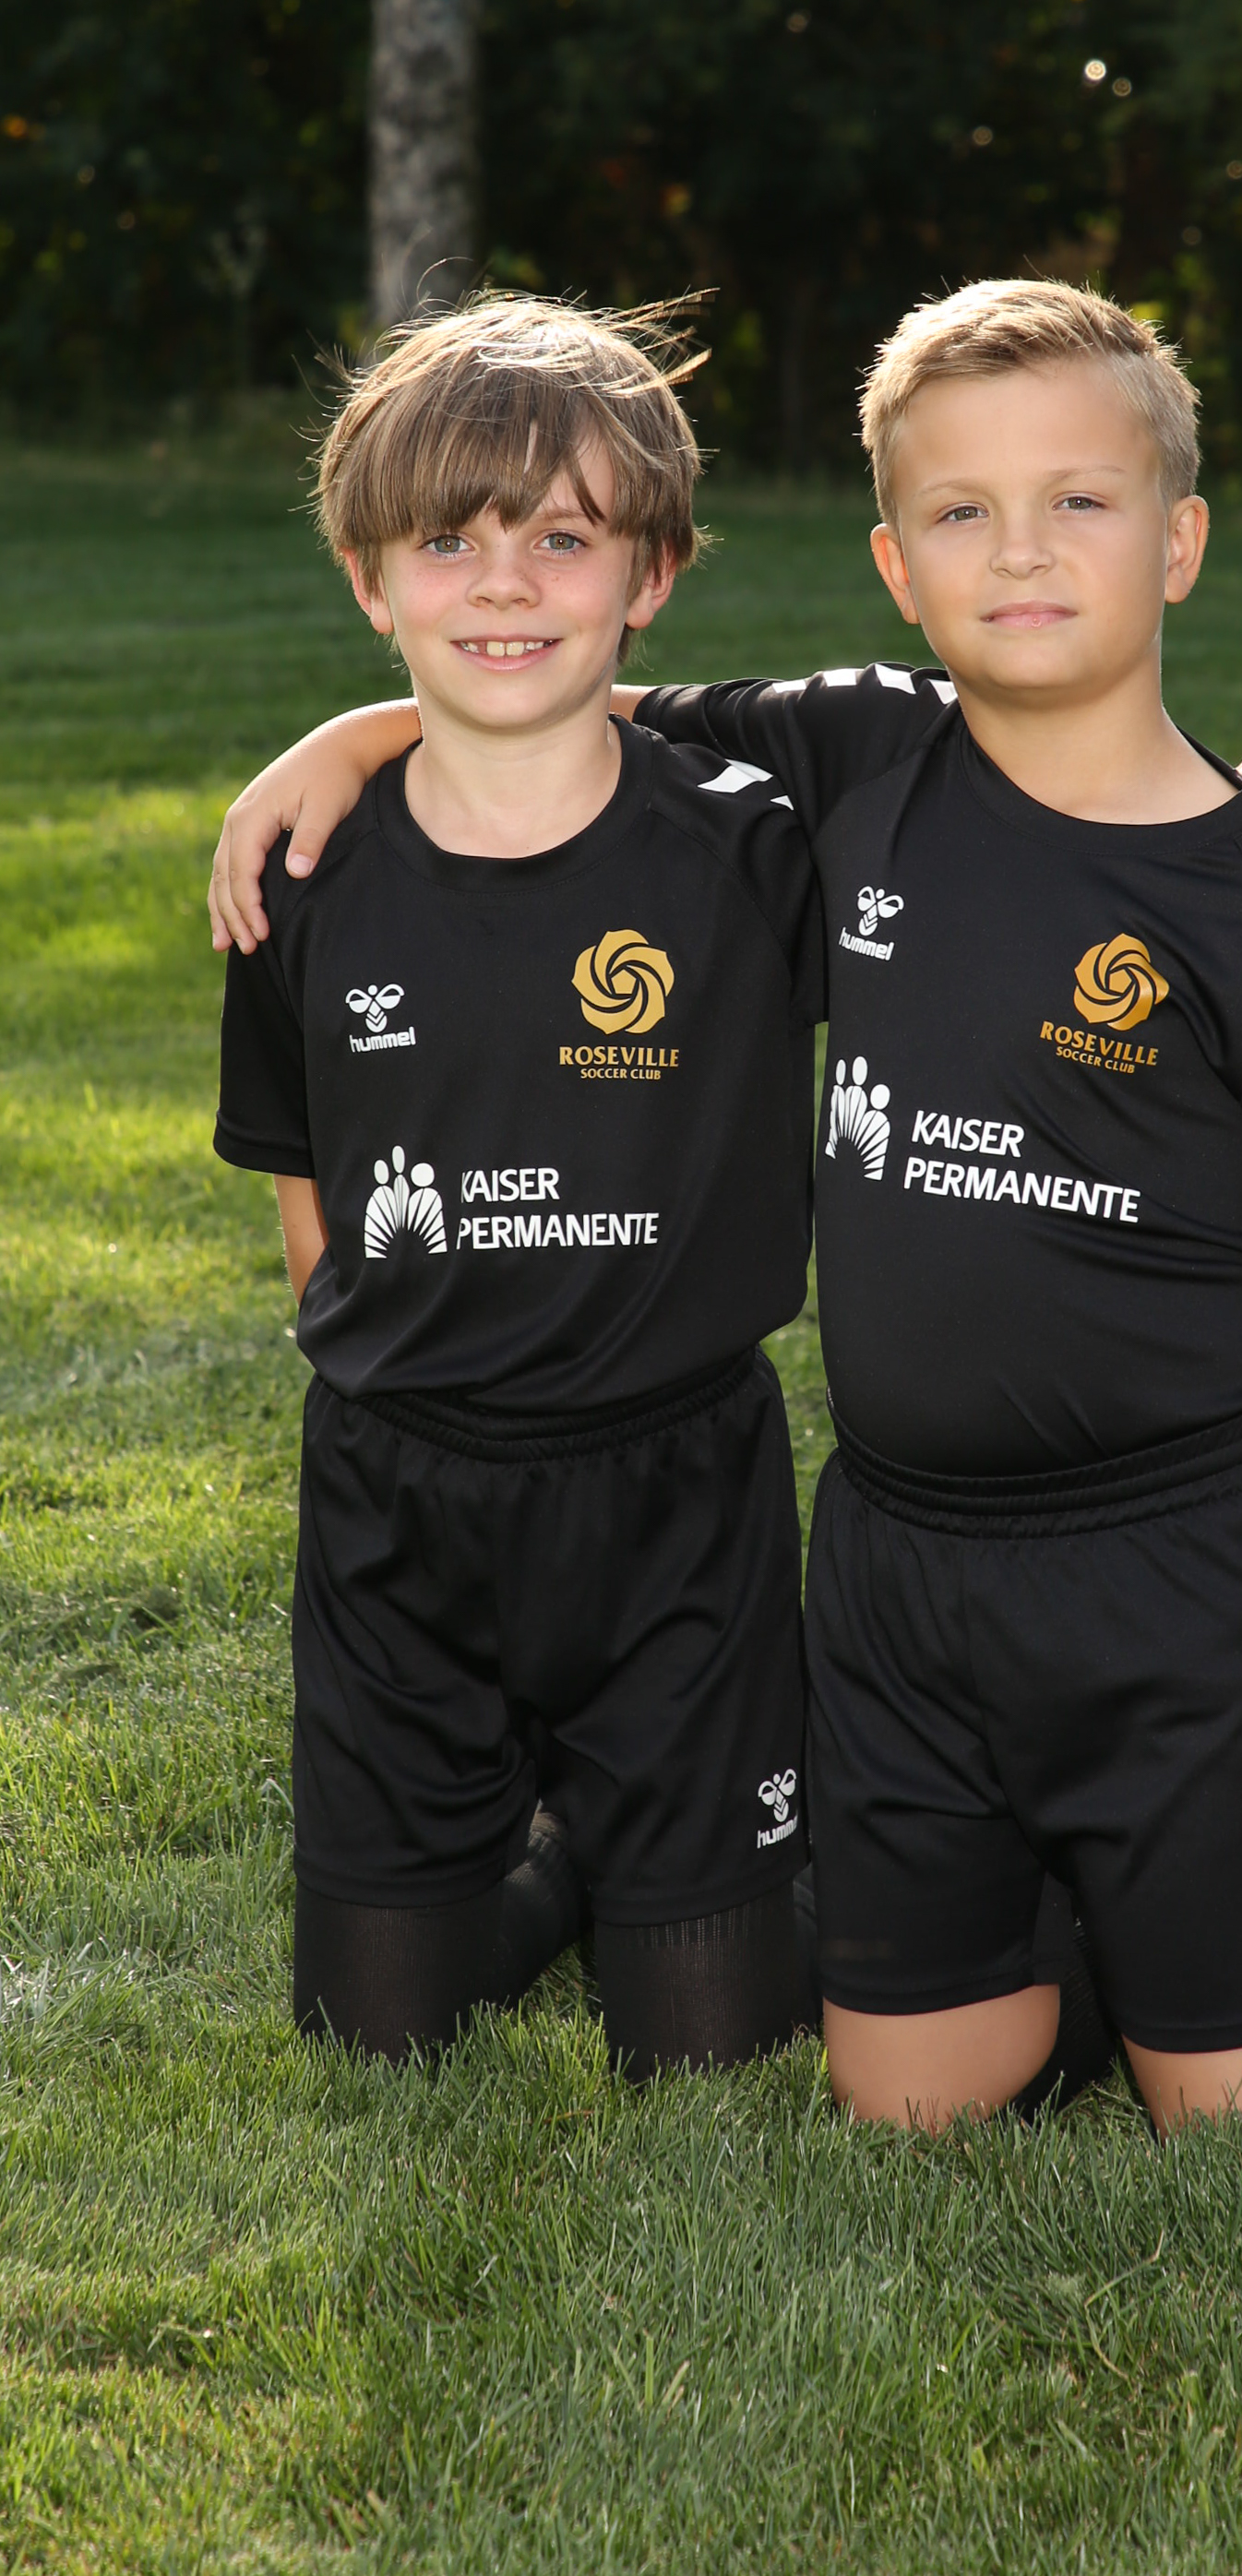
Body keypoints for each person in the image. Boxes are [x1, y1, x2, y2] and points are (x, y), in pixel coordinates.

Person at [211, 281, 1242, 2131]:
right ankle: (1086, 1915)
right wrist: (347, 742)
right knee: (908, 2103)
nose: (1019, 551)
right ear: (895, 564)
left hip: (1171, 1571)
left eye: (1078, 502)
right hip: (899, 1571)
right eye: (962, 511)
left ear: (1179, 541)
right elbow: (559, 693)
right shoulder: (859, 758)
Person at [214, 296, 828, 2075]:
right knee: (375, 2034)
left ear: (651, 573)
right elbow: (307, 1181)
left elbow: (1033, 793)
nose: (502, 585)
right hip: (401, 1502)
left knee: (707, 2050)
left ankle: (696, 1851)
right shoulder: (304, 872)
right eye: (447, 545)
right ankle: (565, 1855)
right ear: (369, 580)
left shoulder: (753, 846)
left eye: (561, 541)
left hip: (678, 1493)